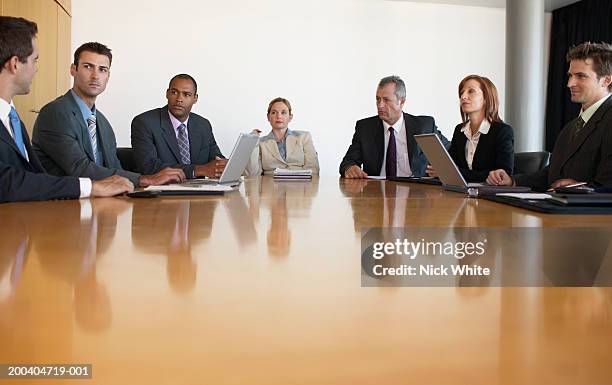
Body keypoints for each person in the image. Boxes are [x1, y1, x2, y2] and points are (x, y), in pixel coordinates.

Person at [0, 16, 133, 203]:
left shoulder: (13, 120)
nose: (35, 70)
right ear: (15, 64)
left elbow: (33, 177)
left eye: (103, 70)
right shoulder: (55, 112)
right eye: (34, 60)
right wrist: (91, 187)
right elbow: (7, 181)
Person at [32, 42, 185, 187]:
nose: (95, 76)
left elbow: (114, 170)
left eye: (102, 69)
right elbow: (79, 169)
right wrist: (145, 179)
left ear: (108, 76)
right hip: (61, 206)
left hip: (99, 203)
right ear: (73, 69)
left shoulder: (103, 123)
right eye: (88, 67)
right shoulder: (55, 113)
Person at [487, 42, 612, 191]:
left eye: (581, 76)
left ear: (606, 80)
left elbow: (607, 184)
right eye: (570, 76)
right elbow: (551, 175)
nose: (570, 83)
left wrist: (580, 189)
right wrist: (512, 181)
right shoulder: (571, 127)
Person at [340, 75, 449, 178]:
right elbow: (348, 162)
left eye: (386, 100)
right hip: (376, 192)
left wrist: (443, 169)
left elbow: (451, 152)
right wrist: (350, 168)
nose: (380, 105)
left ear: (401, 101)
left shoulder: (424, 126)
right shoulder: (365, 128)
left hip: (416, 193)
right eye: (378, 99)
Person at [131, 74, 228, 179]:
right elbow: (148, 166)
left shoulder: (203, 125)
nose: (179, 99)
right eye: (174, 92)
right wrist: (198, 170)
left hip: (200, 191)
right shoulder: (144, 123)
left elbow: (215, 158)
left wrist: (222, 165)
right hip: (163, 191)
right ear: (167, 94)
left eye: (186, 94)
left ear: (195, 99)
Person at [427, 75, 514, 182]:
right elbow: (452, 166)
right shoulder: (459, 130)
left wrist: (454, 172)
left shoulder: (502, 131)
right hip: (462, 193)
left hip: (489, 194)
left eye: (471, 91)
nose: (463, 96)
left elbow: (502, 175)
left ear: (486, 98)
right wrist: (440, 169)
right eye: (461, 93)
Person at [246, 97, 319, 176]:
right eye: (274, 112)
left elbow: (314, 170)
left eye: (283, 112)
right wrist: (253, 142)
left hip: (300, 185)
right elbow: (253, 175)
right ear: (268, 117)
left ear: (290, 117)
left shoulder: (304, 137)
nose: (279, 116)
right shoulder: (261, 143)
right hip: (270, 186)